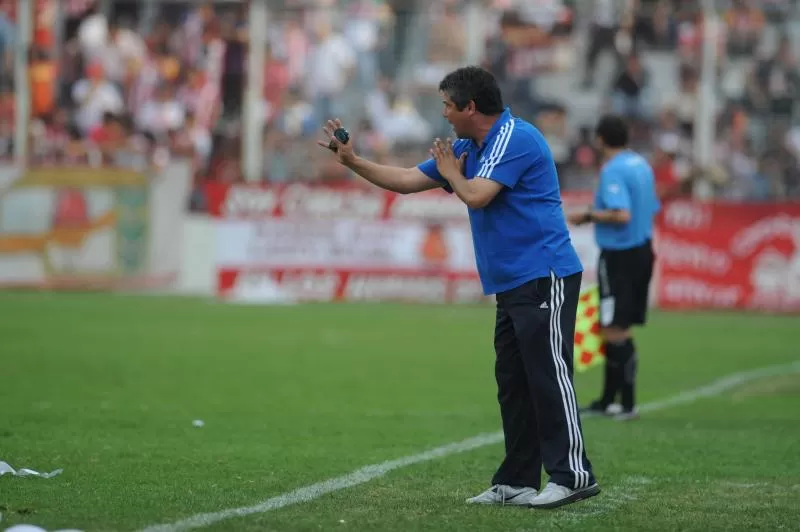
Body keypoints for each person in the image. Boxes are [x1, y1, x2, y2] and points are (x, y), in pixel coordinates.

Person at [317, 66, 599, 509]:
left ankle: (573, 475)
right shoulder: (470, 147)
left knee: (548, 375)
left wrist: (452, 172)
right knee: (513, 382)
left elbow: (477, 196)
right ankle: (517, 480)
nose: (444, 113)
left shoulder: (515, 138)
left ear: (471, 106)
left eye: (449, 104)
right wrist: (353, 161)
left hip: (545, 274)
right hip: (513, 282)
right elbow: (410, 181)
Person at [567, 114, 659, 421]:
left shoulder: (613, 170)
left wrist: (588, 216)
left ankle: (626, 403)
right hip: (642, 250)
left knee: (613, 327)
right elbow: (650, 208)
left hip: (620, 255)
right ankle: (608, 400)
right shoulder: (641, 165)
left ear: (600, 139)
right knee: (617, 325)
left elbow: (621, 214)